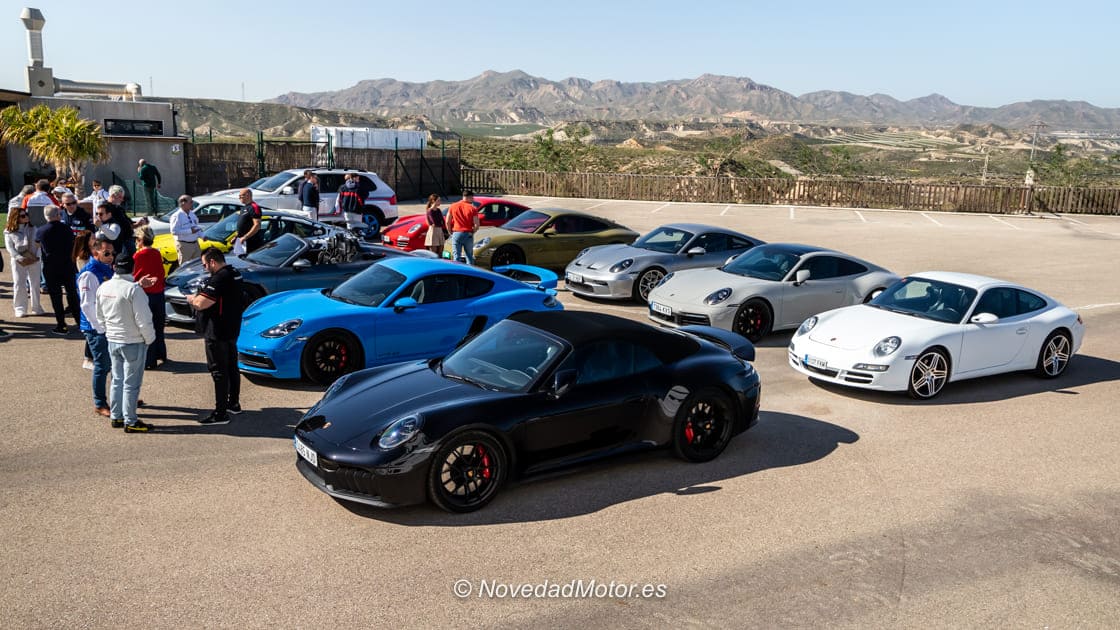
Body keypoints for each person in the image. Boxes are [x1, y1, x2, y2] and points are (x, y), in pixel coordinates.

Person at [97, 252, 156, 432]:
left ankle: (117, 416)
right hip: (133, 341)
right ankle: (131, 420)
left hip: (113, 339)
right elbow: (144, 319)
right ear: (133, 268)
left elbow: (100, 316)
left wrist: (110, 331)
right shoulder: (134, 290)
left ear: (114, 267)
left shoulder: (104, 287)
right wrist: (149, 339)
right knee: (131, 383)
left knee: (117, 379)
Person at [186, 248, 245, 425]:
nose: (205, 268)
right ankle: (233, 403)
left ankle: (220, 413)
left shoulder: (220, 278)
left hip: (217, 332)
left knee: (218, 371)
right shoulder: (235, 273)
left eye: (205, 264)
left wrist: (192, 299)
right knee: (232, 367)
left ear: (213, 262)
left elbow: (201, 303)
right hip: (232, 328)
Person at [79, 239, 116, 417]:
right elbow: (87, 305)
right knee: (102, 366)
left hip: (109, 325)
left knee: (116, 363)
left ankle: (119, 397)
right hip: (96, 329)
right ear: (95, 254)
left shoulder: (106, 268)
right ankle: (100, 403)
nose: (111, 257)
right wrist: (100, 328)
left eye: (112, 253)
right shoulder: (89, 274)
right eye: (107, 253)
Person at [36, 205, 80, 334]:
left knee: (56, 296)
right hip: (67, 264)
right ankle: (79, 321)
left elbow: (37, 243)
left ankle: (61, 324)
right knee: (72, 294)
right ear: (57, 215)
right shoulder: (67, 229)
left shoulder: (41, 230)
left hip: (51, 266)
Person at [133, 226, 167, 369]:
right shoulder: (156, 253)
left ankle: (149, 360)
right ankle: (161, 353)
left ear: (140, 240)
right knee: (158, 326)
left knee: (146, 328)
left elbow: (134, 275)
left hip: (145, 295)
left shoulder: (137, 256)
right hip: (158, 293)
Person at [4, 208, 44, 317]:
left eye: (26, 214)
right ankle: (20, 308)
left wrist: (37, 256)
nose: (26, 217)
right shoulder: (9, 232)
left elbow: (39, 243)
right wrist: (18, 257)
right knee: (19, 284)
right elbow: (10, 247)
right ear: (16, 218)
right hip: (18, 261)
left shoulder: (33, 228)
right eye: (22, 216)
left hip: (34, 259)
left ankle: (36, 307)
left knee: (35, 283)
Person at [96, 185, 135, 257]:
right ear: (113, 196)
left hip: (127, 240)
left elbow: (128, 222)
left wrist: (139, 223)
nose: (122, 199)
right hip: (116, 244)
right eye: (120, 197)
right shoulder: (105, 208)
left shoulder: (119, 208)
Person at [447, 190, 480, 264]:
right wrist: (472, 232)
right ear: (469, 197)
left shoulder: (453, 206)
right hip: (468, 233)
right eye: (472, 198)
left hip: (456, 232)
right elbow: (477, 225)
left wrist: (450, 232)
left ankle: (456, 273)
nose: (473, 200)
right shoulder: (473, 208)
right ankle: (470, 273)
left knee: (456, 256)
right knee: (469, 256)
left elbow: (447, 221)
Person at [169, 194, 204, 264]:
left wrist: (202, 236)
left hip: (195, 244)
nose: (192, 204)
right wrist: (190, 231)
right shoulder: (177, 216)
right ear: (183, 203)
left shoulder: (192, 214)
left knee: (198, 265)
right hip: (184, 245)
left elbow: (195, 227)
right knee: (185, 267)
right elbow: (174, 231)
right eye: (190, 202)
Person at [235, 188, 263, 253]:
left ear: (247, 195)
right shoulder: (244, 207)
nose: (239, 198)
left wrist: (245, 237)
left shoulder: (254, 207)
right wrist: (236, 236)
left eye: (240, 196)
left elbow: (257, 225)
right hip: (242, 242)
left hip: (251, 243)